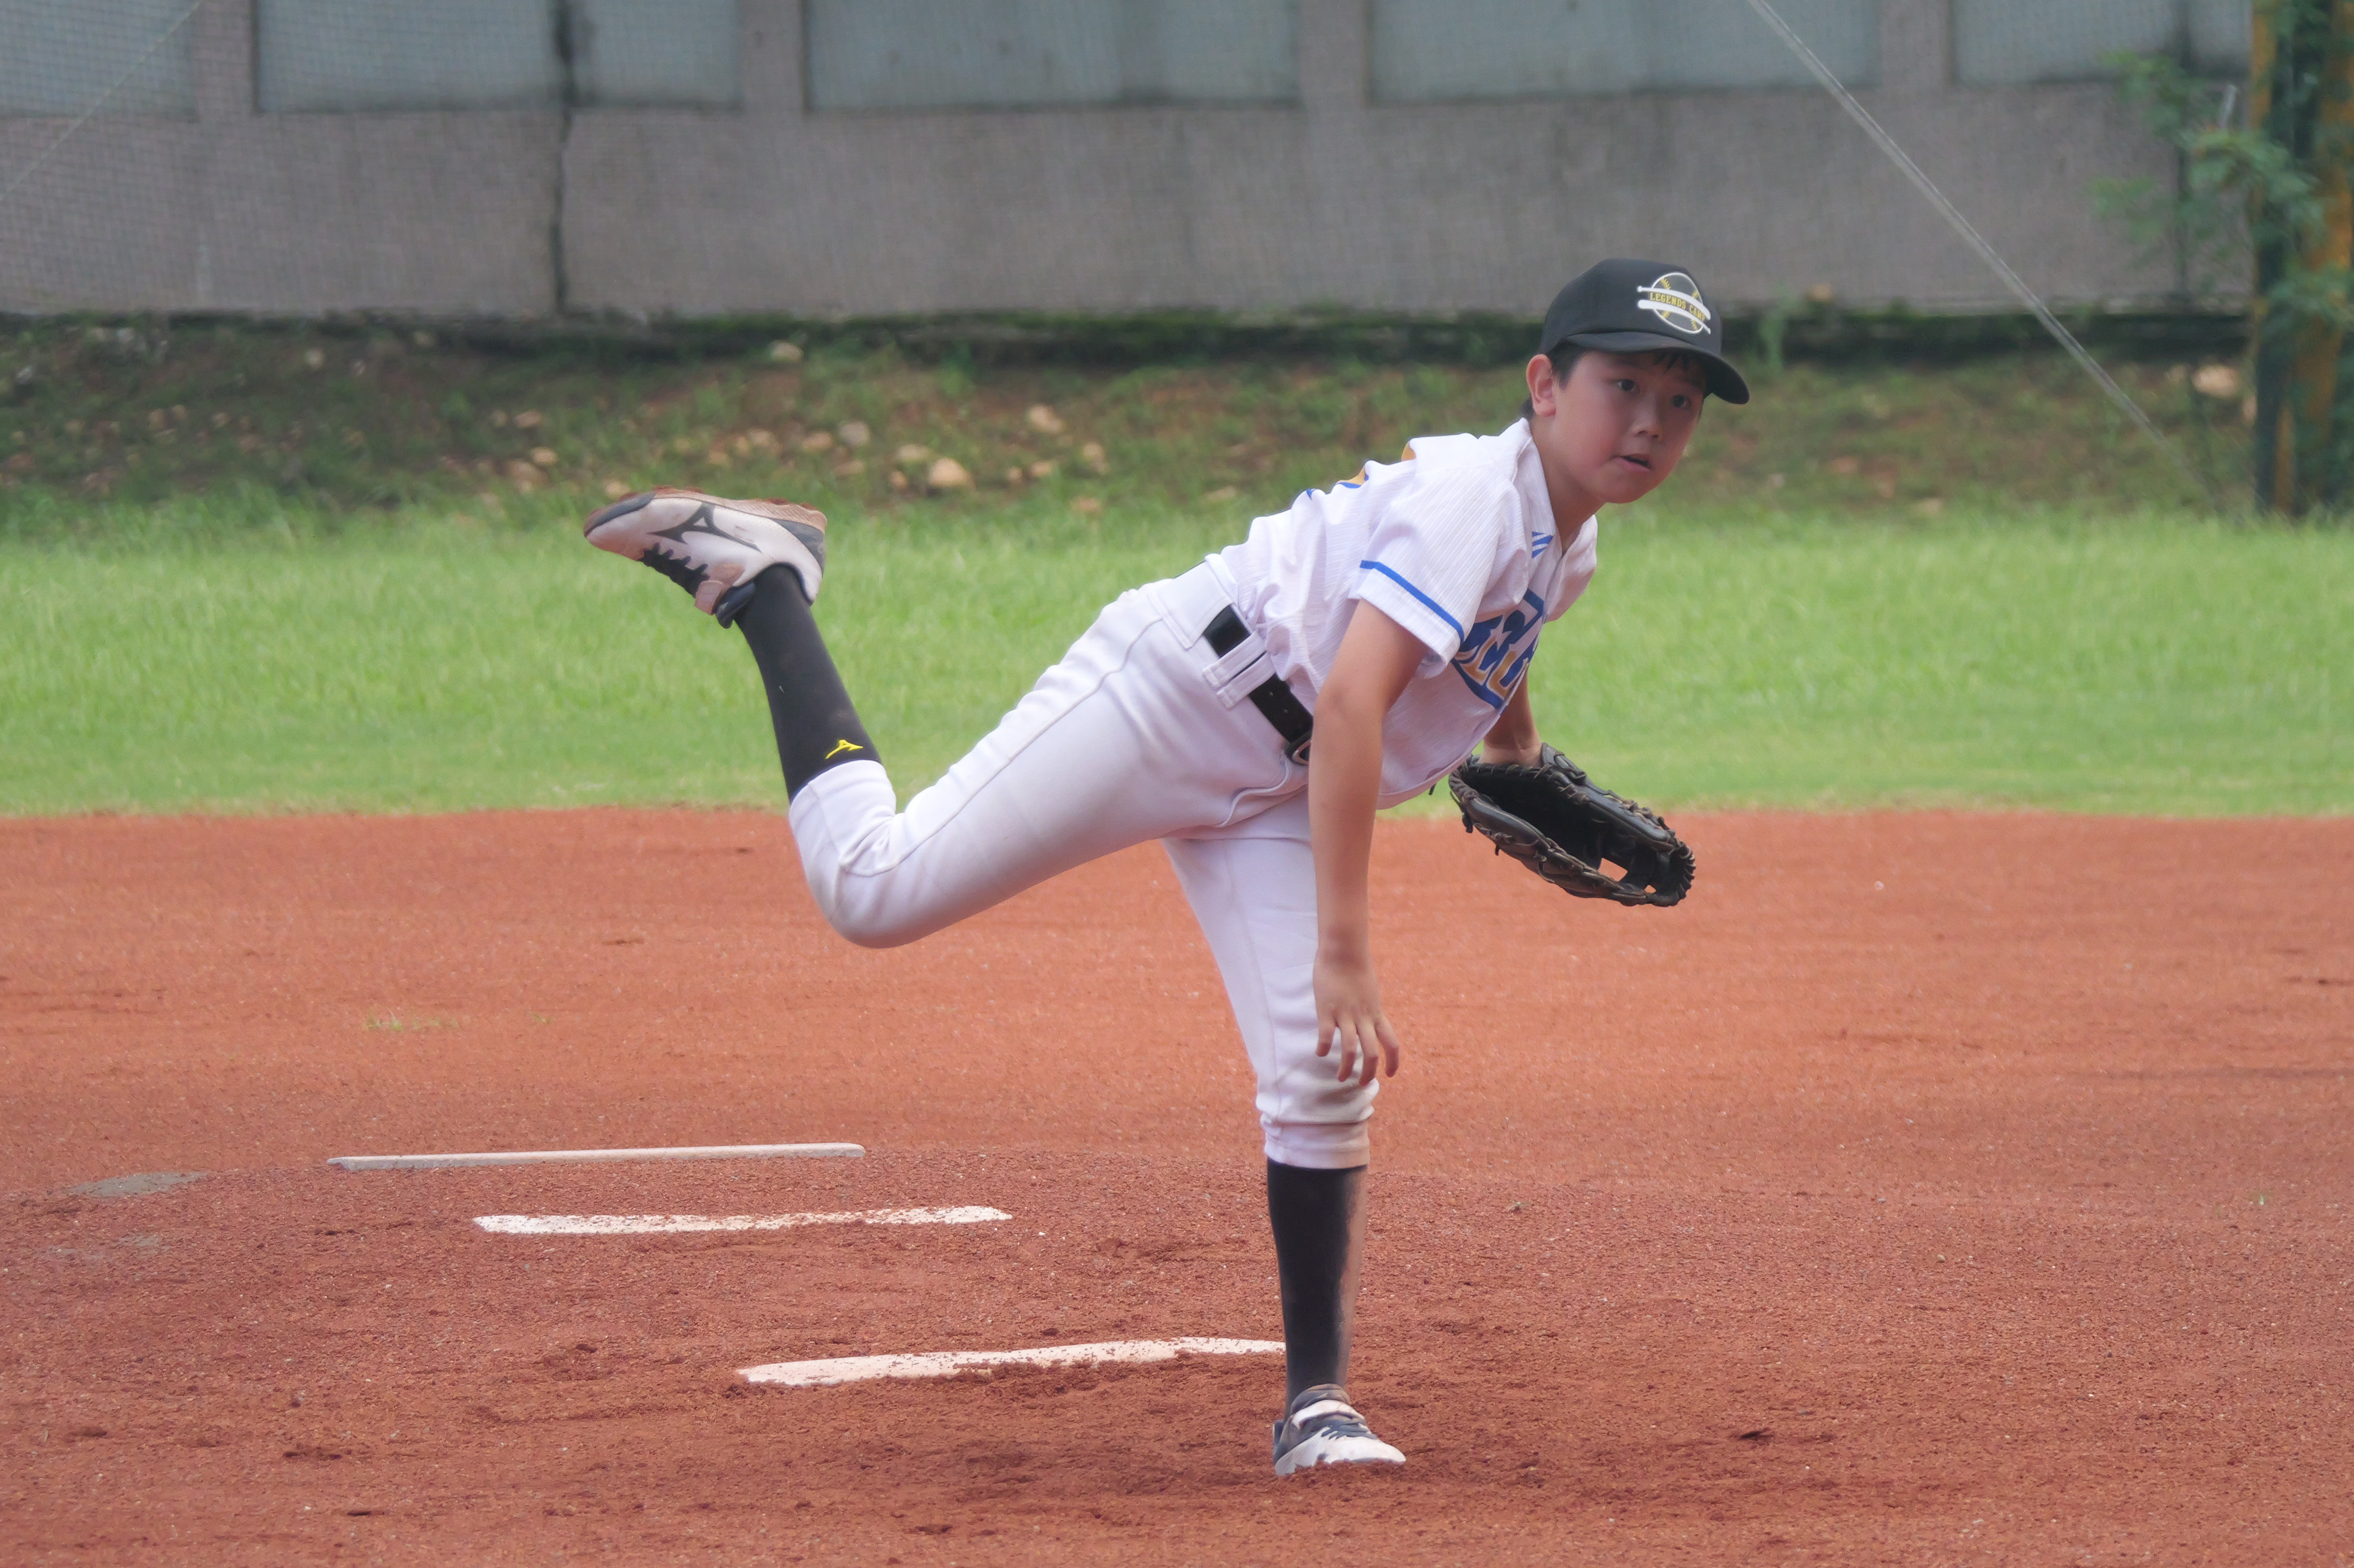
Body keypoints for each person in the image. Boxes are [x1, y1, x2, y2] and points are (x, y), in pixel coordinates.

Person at [582, 257, 1748, 1474]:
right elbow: (1354, 707)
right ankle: (765, 578)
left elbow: (1488, 645)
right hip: (1177, 695)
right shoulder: (1471, 493)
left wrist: (1513, 757)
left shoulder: (1569, 542)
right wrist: (1344, 952)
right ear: (1545, 388)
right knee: (869, 890)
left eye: (1681, 403)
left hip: (1274, 785)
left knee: (1318, 1068)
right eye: (1625, 385)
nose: (1652, 422)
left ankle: (1316, 1408)